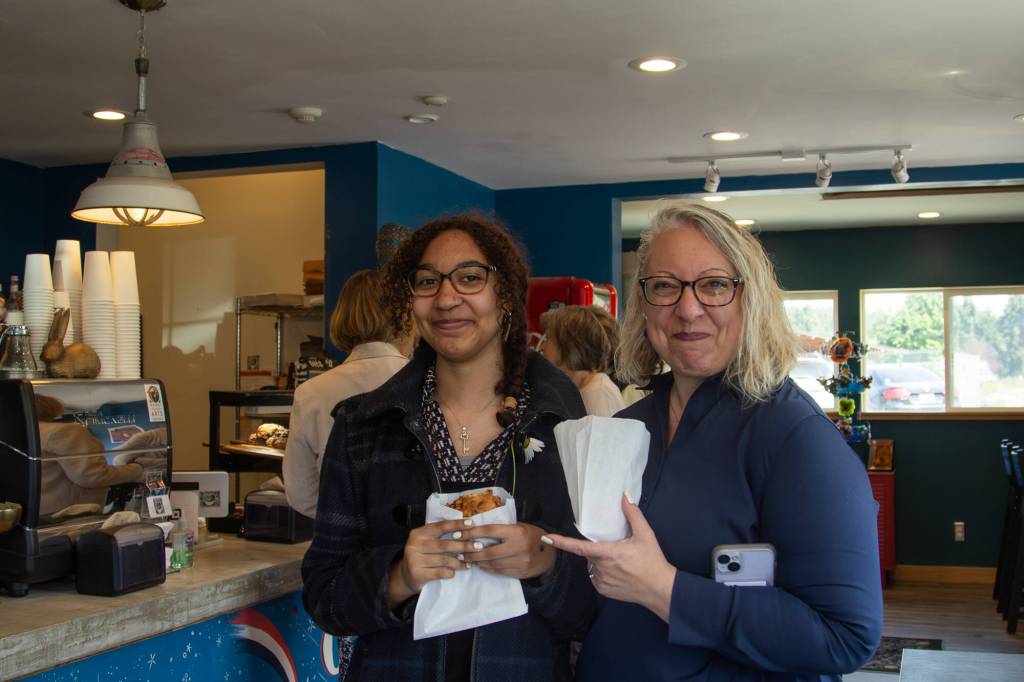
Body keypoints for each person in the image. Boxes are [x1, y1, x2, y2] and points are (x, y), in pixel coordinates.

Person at [544, 203, 883, 681]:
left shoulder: (795, 438)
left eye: (715, 285)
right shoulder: (629, 425)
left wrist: (665, 589)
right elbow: (598, 598)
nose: (687, 309)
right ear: (644, 304)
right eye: (665, 286)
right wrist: (540, 562)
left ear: (750, 299)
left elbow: (844, 637)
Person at [302, 213, 596, 681]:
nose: (445, 298)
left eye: (470, 278)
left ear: (505, 293)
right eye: (427, 281)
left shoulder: (567, 429)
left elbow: (593, 611)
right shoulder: (363, 427)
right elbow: (324, 598)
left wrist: (546, 565)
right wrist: (398, 576)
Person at [284, 270, 414, 518]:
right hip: (416, 533)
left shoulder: (310, 393)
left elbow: (301, 493)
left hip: (339, 532)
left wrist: (341, 516)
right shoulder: (429, 383)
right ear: (405, 319)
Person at [34, 395, 145, 517]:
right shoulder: (63, 431)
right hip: (69, 514)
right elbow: (93, 475)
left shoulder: (27, 433)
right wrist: (137, 470)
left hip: (39, 513)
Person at [538, 305, 625, 417]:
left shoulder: (597, 393)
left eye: (548, 339)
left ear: (567, 344)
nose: (542, 347)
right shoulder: (587, 387)